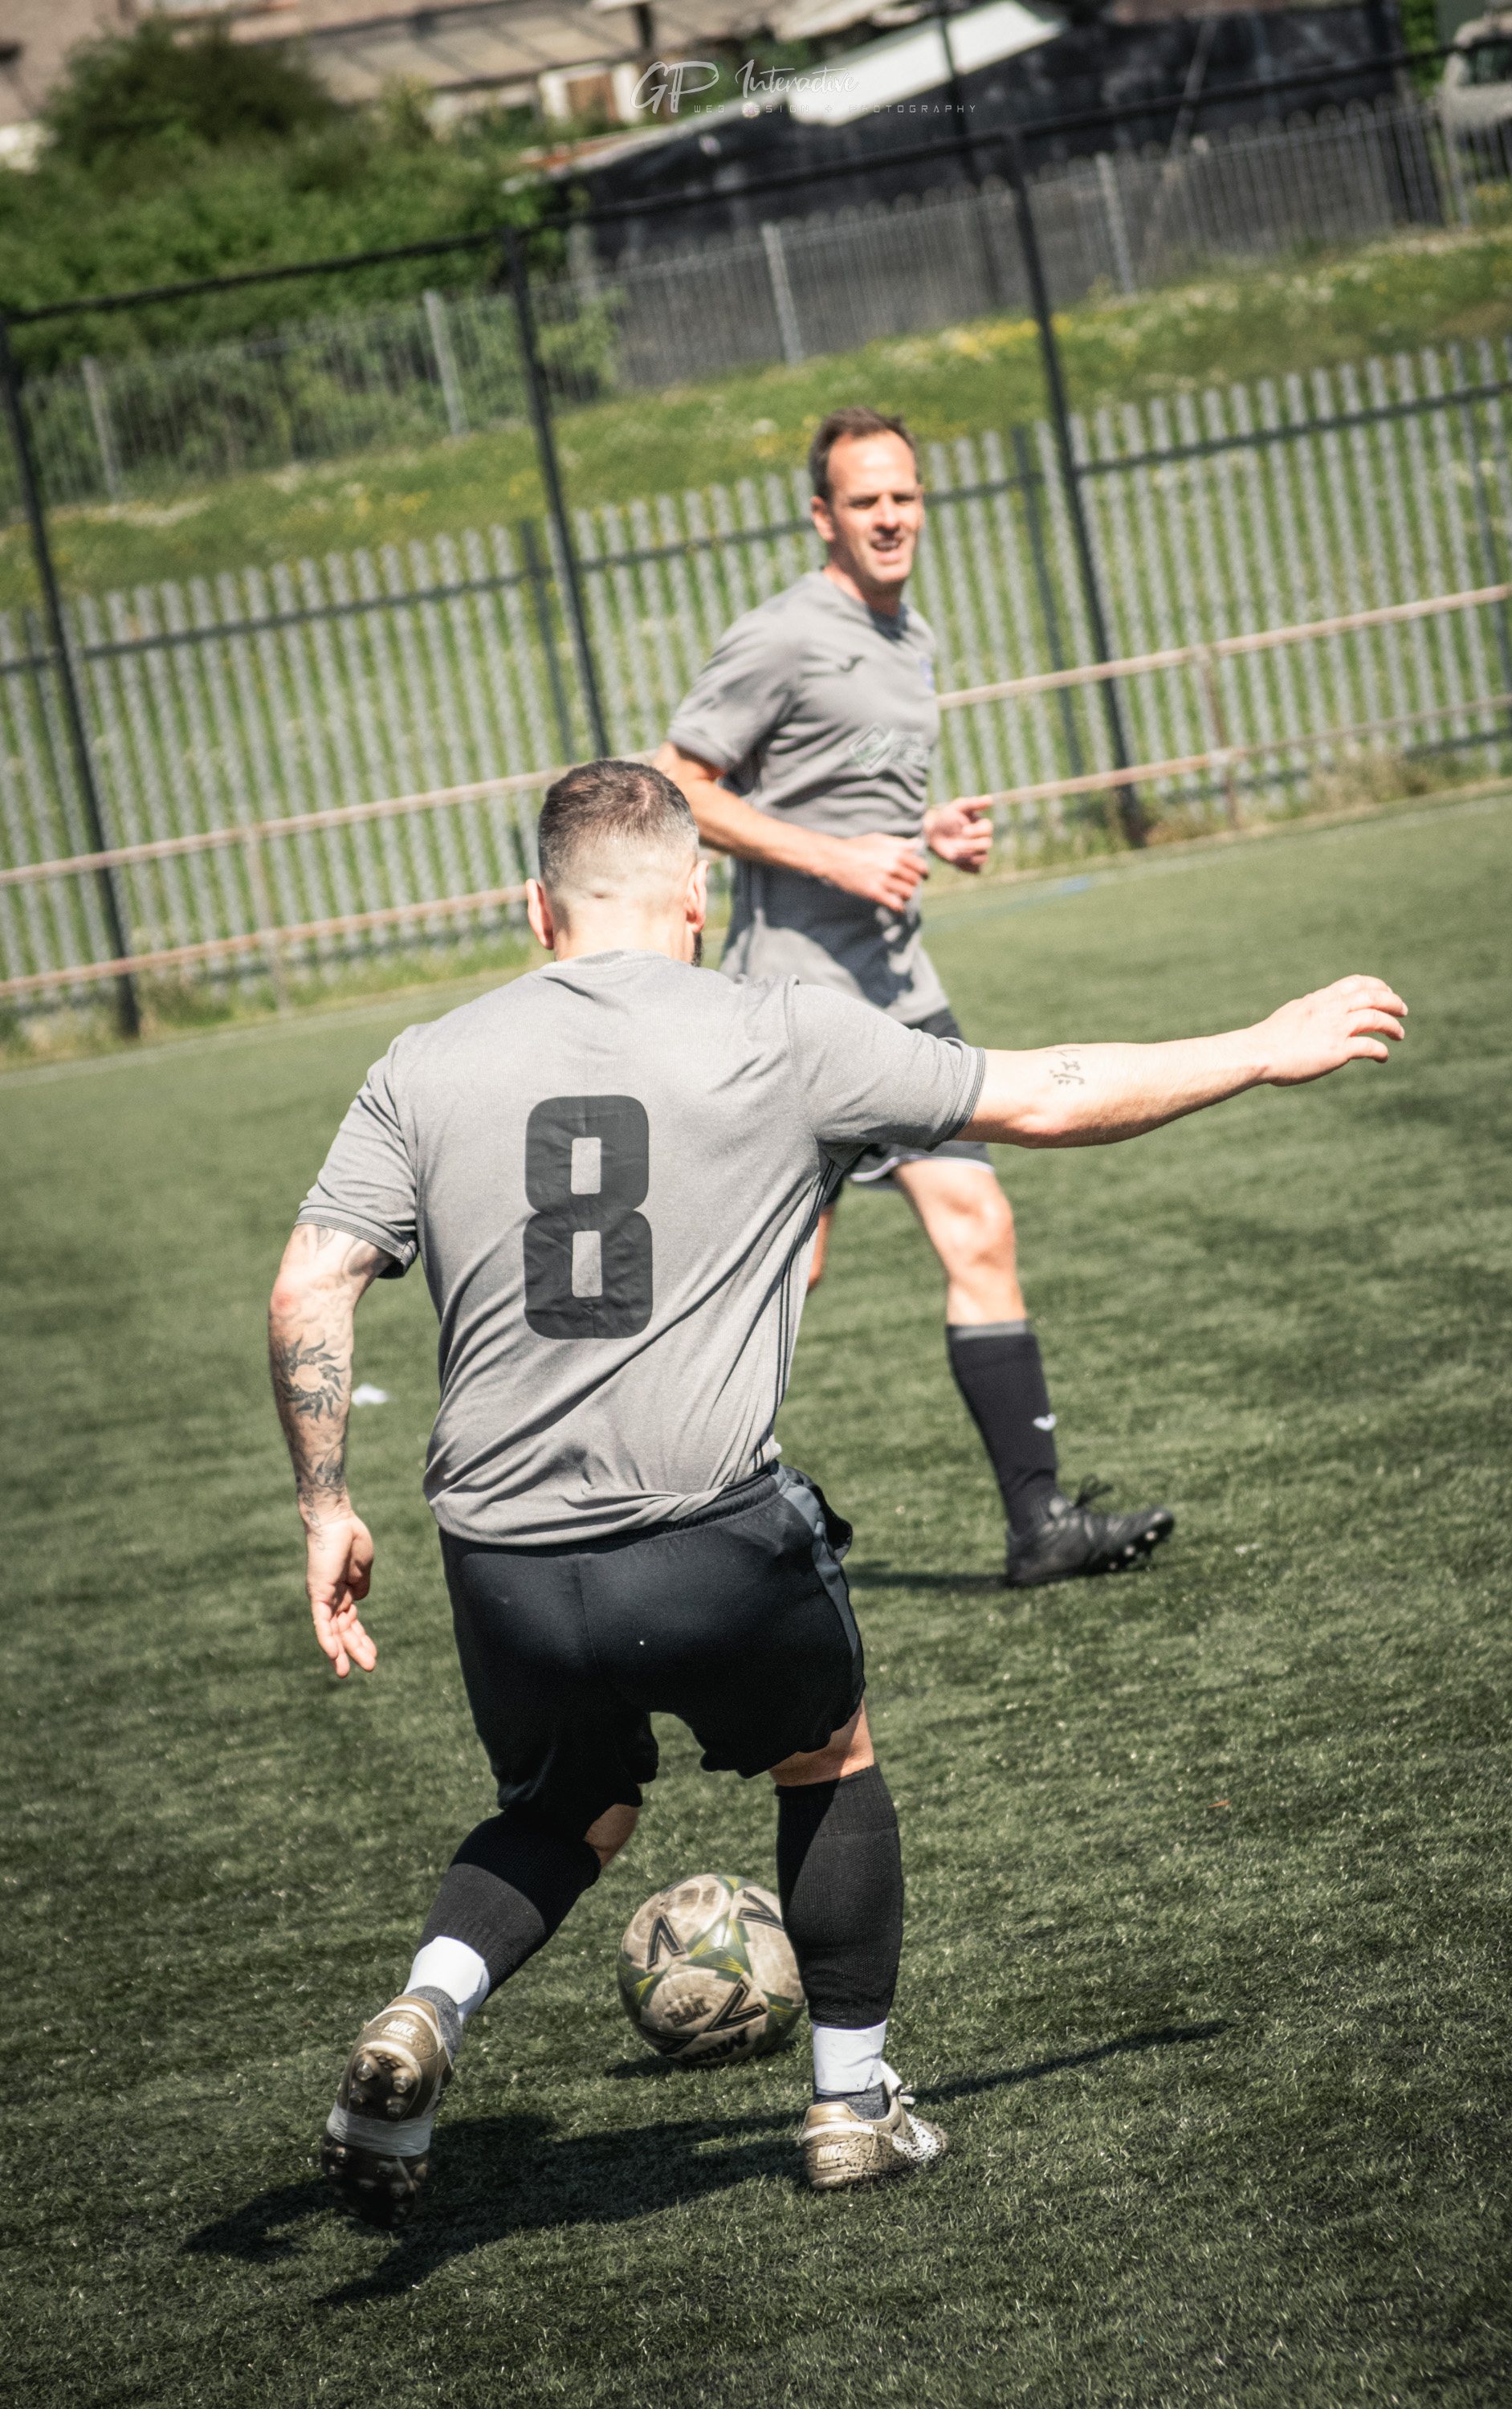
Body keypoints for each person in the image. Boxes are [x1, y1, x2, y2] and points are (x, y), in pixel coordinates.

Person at [267, 756, 1405, 2232]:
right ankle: (855, 2105)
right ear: (697, 899)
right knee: (828, 1755)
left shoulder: (422, 1060)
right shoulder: (779, 1028)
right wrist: (1261, 1044)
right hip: (707, 1541)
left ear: (535, 907)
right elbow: (1045, 1093)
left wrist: (323, 1506)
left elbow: (311, 1279)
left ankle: (423, 2015)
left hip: (502, 1555)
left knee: (573, 1803)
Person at [654, 407, 1172, 1590]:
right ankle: (675, 1519)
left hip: (901, 1000)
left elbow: (848, 800)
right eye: (865, 500)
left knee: (979, 1226)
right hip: (795, 1009)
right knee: (784, 1273)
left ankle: (1039, 1528)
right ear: (823, 516)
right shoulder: (783, 636)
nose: (890, 518)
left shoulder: (911, 632)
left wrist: (919, 833)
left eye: (906, 496)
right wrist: (838, 861)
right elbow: (679, 788)